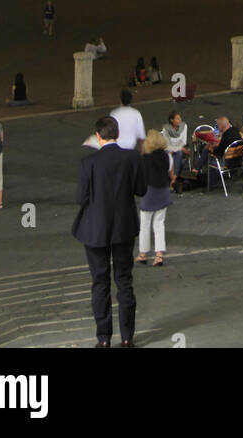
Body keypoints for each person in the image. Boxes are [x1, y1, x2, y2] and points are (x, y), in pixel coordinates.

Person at [72, 115, 147, 347]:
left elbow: (81, 198)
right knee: (124, 281)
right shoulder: (132, 158)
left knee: (100, 282)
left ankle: (103, 339)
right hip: (124, 229)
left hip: (95, 231)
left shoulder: (88, 163)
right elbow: (141, 190)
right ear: (117, 134)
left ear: (98, 136)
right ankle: (127, 337)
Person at [136, 130, 173, 267]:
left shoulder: (144, 159)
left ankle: (143, 254)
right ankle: (159, 255)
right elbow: (170, 171)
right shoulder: (167, 156)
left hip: (149, 192)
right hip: (163, 191)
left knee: (145, 225)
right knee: (159, 223)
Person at [161, 110, 190, 180]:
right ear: (172, 120)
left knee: (179, 153)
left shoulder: (184, 126)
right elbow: (167, 144)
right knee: (169, 154)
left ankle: (175, 177)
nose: (180, 120)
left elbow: (183, 142)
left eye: (180, 118)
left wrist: (177, 148)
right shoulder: (166, 129)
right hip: (169, 149)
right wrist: (174, 149)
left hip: (179, 148)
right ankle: (171, 178)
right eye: (177, 118)